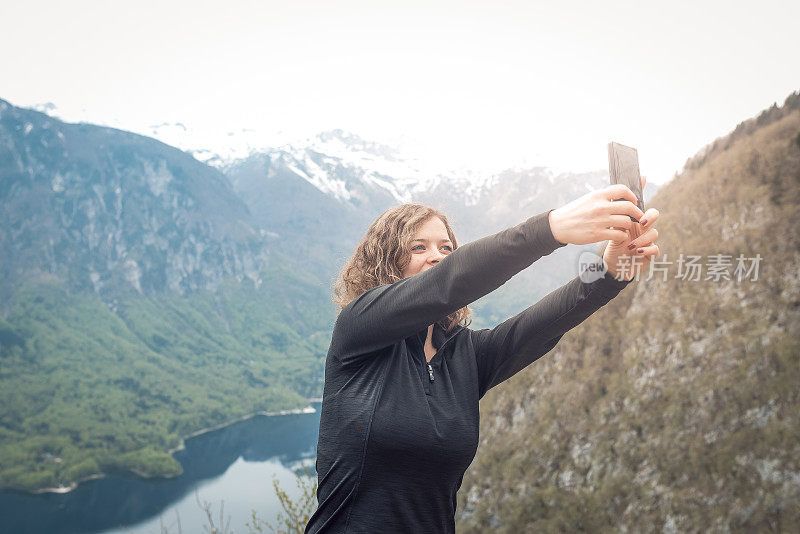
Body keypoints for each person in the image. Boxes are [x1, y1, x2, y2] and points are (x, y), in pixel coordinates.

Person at [304, 178, 660, 533]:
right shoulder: (360, 329)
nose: (437, 258)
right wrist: (552, 228)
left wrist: (612, 270)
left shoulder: (464, 355)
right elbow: (451, 281)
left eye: (446, 249)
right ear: (385, 261)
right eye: (417, 247)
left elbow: (541, 326)